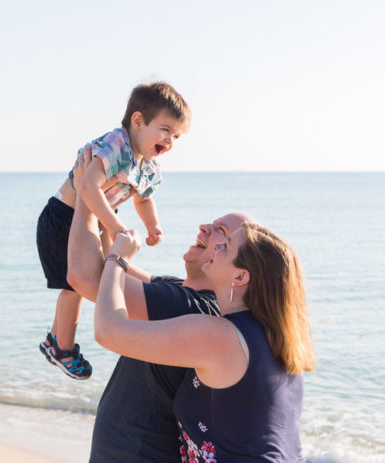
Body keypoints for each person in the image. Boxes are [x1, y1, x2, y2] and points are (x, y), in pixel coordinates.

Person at [66, 151, 254, 461]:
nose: (205, 226)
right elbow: (104, 266)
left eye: (220, 232)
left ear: (236, 265)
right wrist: (104, 202)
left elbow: (85, 276)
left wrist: (87, 194)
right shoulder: (179, 289)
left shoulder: (191, 308)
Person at [95, 223, 316, 462]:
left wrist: (117, 259)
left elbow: (109, 331)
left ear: (240, 276)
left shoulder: (221, 336)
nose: (218, 245)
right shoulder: (279, 338)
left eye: (226, 246)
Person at [36, 82, 191, 380]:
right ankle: (62, 348)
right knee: (74, 286)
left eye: (176, 136)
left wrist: (152, 225)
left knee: (98, 277)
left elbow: (144, 198)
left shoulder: (148, 166)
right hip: (63, 217)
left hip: (95, 219)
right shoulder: (116, 144)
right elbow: (87, 186)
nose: (170, 140)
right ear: (137, 121)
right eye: (165, 130)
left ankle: (53, 339)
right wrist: (114, 225)